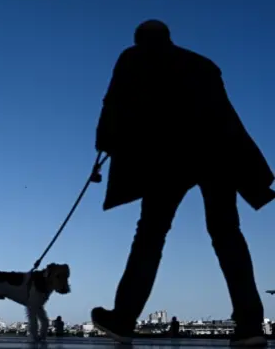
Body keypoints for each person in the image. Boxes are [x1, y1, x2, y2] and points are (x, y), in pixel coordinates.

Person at [91, 19, 274, 347]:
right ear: (168, 37)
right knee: (227, 233)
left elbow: (114, 103)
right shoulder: (203, 65)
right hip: (217, 154)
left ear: (139, 40)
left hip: (168, 158)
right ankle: (250, 325)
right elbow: (225, 116)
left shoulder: (132, 58)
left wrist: (104, 144)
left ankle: (124, 318)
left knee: (150, 236)